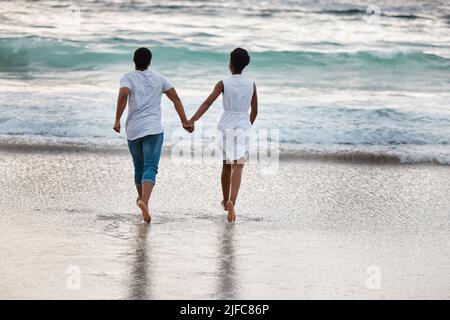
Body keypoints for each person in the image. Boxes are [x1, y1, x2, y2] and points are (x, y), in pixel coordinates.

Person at [113, 47, 193, 223]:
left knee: (138, 167)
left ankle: (142, 200)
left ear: (134, 61)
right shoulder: (159, 78)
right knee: (151, 167)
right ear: (150, 62)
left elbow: (124, 94)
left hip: (133, 130)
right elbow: (176, 99)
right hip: (154, 129)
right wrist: (184, 121)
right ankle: (145, 201)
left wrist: (117, 119)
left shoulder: (127, 77)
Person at [188, 48, 258, 222]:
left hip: (226, 125)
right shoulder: (252, 84)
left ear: (230, 64)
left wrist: (192, 120)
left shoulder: (223, 83)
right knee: (239, 165)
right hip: (243, 124)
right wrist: (248, 124)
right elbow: (255, 110)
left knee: (226, 165)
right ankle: (232, 201)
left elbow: (207, 102)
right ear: (245, 65)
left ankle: (225, 201)